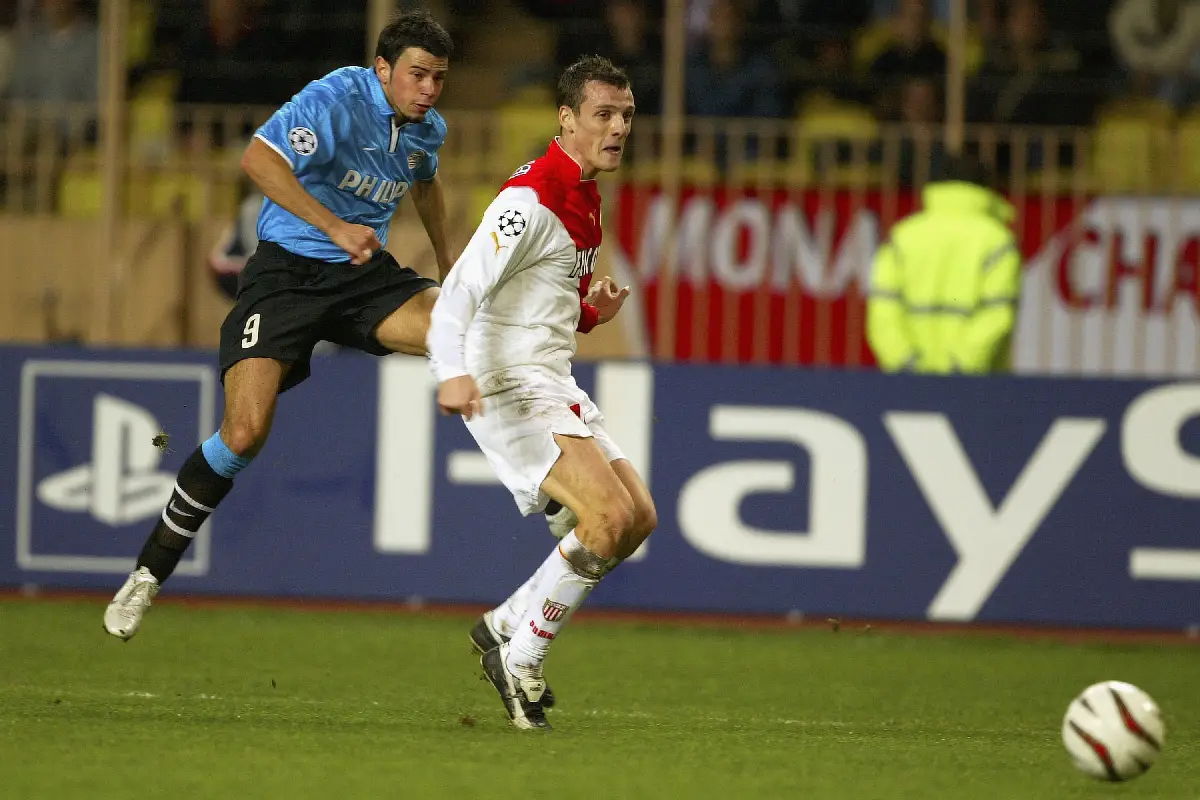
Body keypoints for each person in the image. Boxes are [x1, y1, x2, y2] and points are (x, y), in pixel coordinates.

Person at [103, 10, 456, 640]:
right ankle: (149, 574)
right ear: (383, 70)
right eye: (418, 75)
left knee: (459, 333)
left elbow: (426, 186)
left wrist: (450, 263)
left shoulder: (428, 130)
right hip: (287, 274)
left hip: (362, 275)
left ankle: (546, 499)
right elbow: (259, 160)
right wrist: (333, 226)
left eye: (438, 78)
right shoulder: (336, 97)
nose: (428, 89)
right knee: (243, 433)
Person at [427, 55, 657, 731]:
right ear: (567, 119)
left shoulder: (585, 194)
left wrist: (590, 312)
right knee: (607, 519)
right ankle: (519, 658)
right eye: (603, 116)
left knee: (636, 520)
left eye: (627, 115)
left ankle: (504, 624)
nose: (618, 128)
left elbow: (541, 299)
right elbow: (460, 294)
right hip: (506, 380)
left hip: (549, 375)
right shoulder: (526, 202)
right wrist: (451, 372)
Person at [866, 154, 1021, 374]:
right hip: (979, 386)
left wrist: (906, 365)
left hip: (907, 384)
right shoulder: (997, 240)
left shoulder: (902, 236)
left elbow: (884, 313)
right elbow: (997, 313)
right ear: (988, 190)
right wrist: (960, 367)